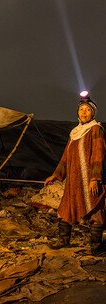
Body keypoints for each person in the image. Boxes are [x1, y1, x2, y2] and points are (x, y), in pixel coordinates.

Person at [44, 95, 105, 255]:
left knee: (95, 210)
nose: (83, 112)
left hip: (89, 180)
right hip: (73, 181)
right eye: (81, 109)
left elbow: (98, 155)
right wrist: (56, 175)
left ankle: (96, 246)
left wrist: (95, 178)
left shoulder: (96, 129)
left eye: (87, 110)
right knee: (65, 209)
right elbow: (66, 157)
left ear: (93, 113)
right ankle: (64, 241)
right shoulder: (75, 133)